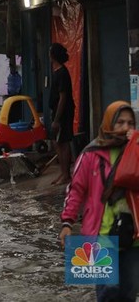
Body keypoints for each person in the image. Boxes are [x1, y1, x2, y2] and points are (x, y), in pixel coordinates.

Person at [60, 101, 139, 301]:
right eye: (120, 122)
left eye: (130, 123)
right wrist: (67, 222)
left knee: (129, 292)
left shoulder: (137, 150)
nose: (125, 128)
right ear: (108, 124)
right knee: (108, 292)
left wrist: (136, 145)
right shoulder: (91, 153)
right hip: (100, 235)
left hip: (134, 236)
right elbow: (76, 189)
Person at [49, 43, 75, 185]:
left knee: (63, 142)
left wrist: (57, 120)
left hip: (63, 113)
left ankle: (66, 175)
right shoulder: (56, 71)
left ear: (53, 55)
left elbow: (63, 97)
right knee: (56, 142)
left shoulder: (62, 73)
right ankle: (63, 172)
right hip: (57, 111)